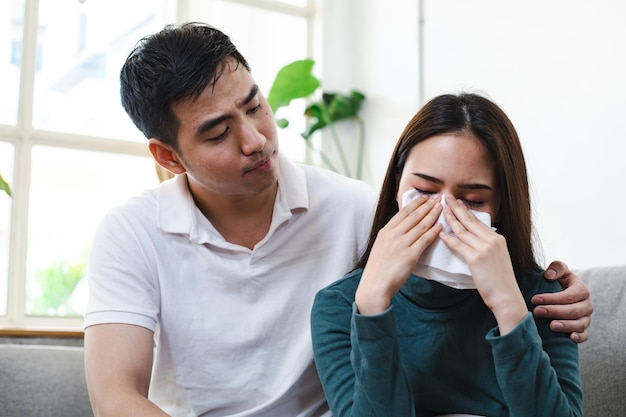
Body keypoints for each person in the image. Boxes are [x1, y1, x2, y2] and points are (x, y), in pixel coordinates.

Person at [83, 23, 591, 417]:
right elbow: (115, 398)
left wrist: (556, 293)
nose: (256, 139)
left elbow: (470, 257)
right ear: (169, 157)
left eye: (255, 106)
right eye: (218, 133)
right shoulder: (131, 233)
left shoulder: (354, 208)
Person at [310, 93, 584, 417]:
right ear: (398, 186)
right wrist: (372, 306)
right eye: (425, 192)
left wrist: (509, 306)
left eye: (471, 200)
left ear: (499, 208)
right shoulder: (339, 306)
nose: (445, 214)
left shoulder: (543, 300)